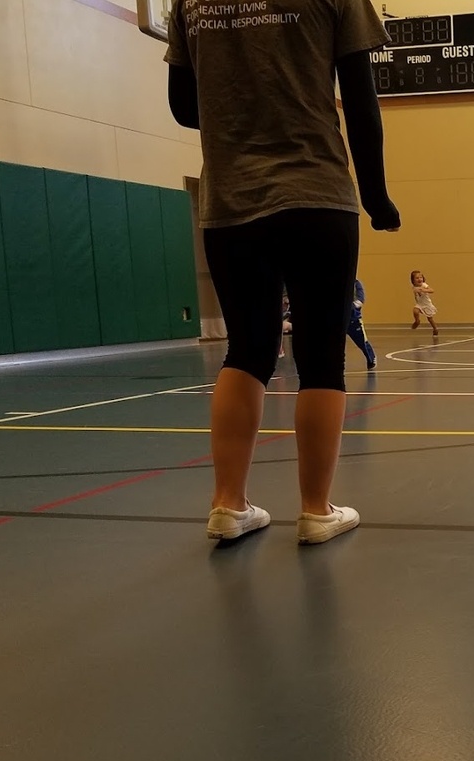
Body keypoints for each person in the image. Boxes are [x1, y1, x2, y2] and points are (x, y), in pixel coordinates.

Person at [164, 0, 400, 545]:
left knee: (246, 349)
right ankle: (317, 510)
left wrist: (242, 107)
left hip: (231, 198)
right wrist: (377, 198)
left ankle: (228, 504)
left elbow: (182, 105)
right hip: (316, 192)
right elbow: (362, 102)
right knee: (320, 354)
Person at [347, 278, 377, 369]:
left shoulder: (356, 284)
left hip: (354, 320)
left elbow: (360, 300)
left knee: (362, 342)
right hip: (339, 320)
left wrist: (350, 307)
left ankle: (371, 359)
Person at [410, 270, 439, 335]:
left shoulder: (424, 285)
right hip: (420, 304)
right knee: (415, 311)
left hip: (427, 304)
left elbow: (432, 290)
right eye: (417, 278)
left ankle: (435, 328)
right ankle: (417, 321)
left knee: (430, 319)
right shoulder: (414, 287)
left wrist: (424, 290)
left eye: (421, 277)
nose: (419, 279)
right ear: (413, 280)